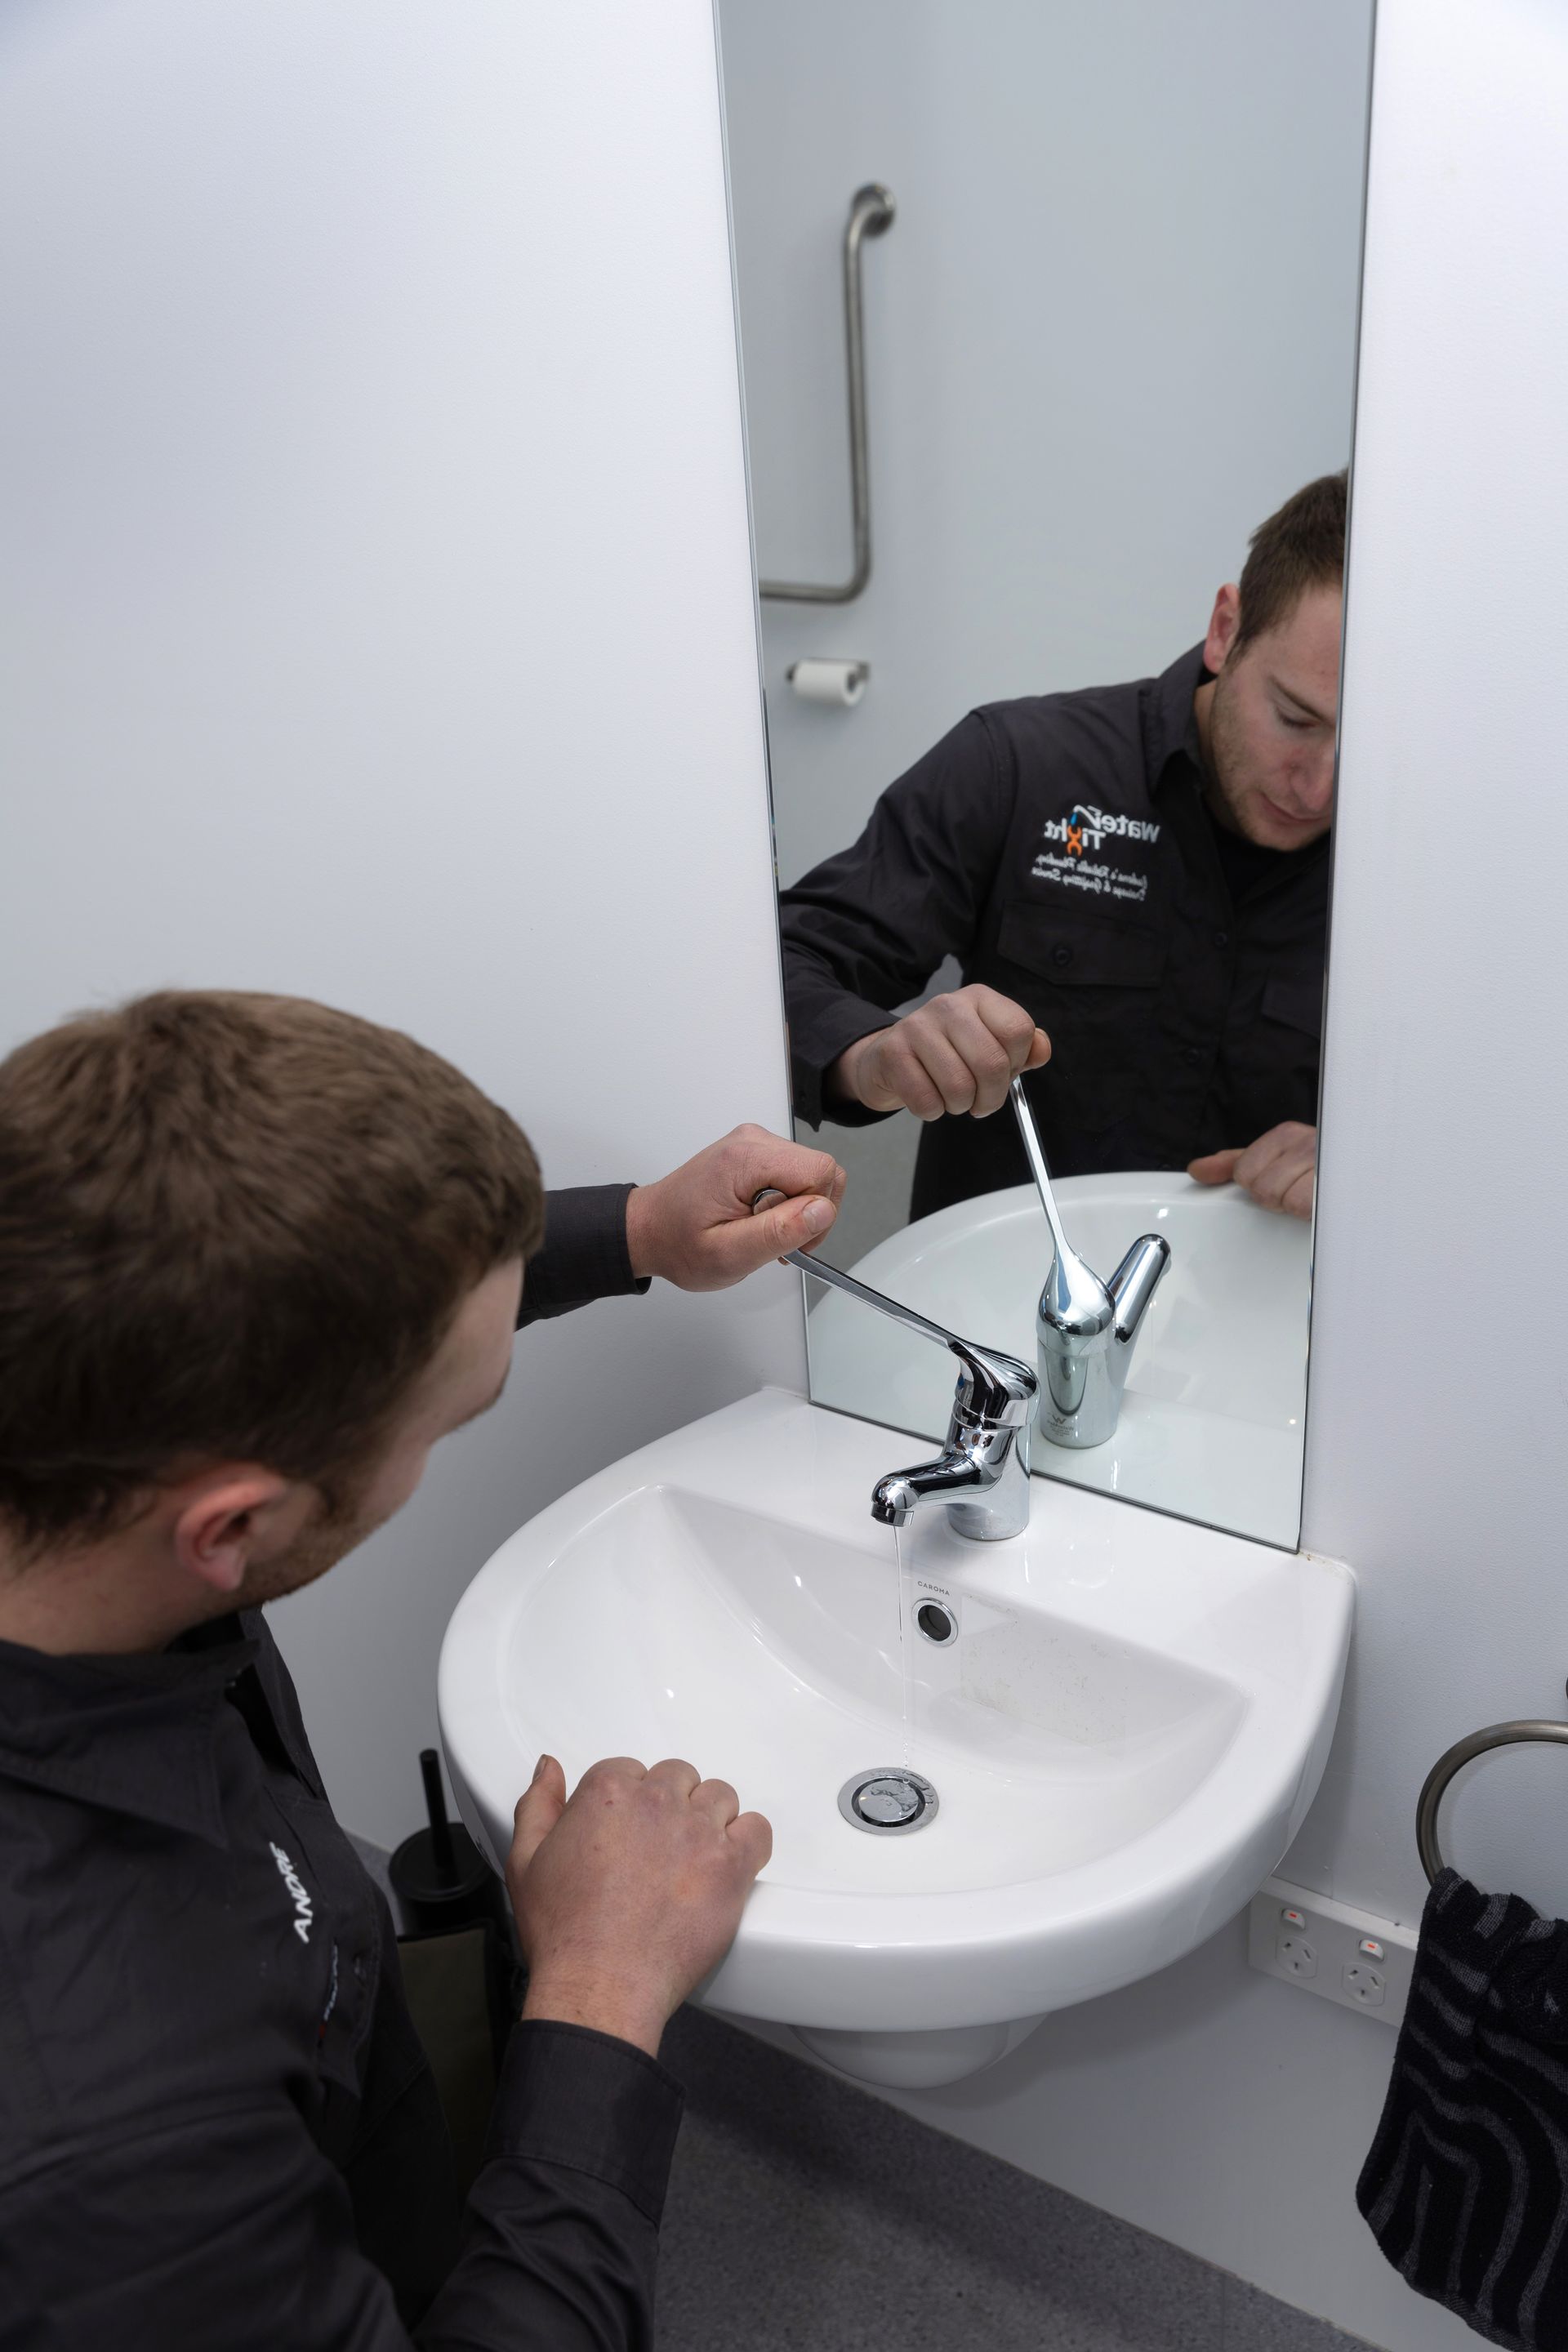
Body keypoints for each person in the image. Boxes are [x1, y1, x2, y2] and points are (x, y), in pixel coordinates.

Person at [0, 989, 847, 2352]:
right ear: (232, 1526)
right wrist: (595, 1999)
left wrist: (632, 1232)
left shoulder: (73, 1441)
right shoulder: (116, 2142)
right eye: (447, 1423)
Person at [779, 470, 1346, 1226]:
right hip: (999, 1295)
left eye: (1365, 743)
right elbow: (780, 968)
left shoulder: (1426, 879)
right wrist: (874, 1056)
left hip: (1275, 1315)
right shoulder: (1020, 768)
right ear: (1225, 631)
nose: (1318, 789)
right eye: (1295, 719)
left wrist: (1365, 1163)